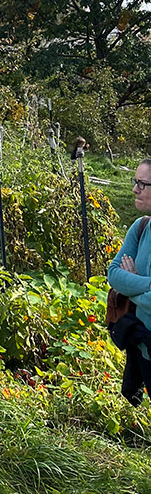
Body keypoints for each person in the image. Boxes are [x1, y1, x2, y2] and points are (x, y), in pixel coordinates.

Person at [107, 158, 151, 404]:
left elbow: (124, 283)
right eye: (135, 181)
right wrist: (147, 284)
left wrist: (132, 281)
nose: (134, 189)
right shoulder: (140, 227)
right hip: (145, 348)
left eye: (142, 184)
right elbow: (114, 274)